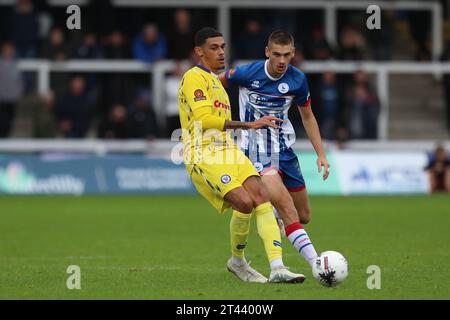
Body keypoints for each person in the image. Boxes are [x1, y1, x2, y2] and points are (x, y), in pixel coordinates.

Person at [178, 27, 305, 283]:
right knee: (244, 202)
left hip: (227, 150)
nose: (221, 52)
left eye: (223, 46)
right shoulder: (194, 78)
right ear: (199, 51)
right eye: (214, 47)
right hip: (203, 153)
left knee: (260, 196)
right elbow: (204, 119)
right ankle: (238, 262)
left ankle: (278, 268)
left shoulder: (217, 84)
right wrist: (248, 125)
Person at [219, 30, 330, 270]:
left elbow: (308, 118)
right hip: (256, 151)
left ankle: (273, 216)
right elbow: (216, 84)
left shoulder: (297, 79)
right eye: (277, 54)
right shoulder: (247, 73)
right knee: (287, 207)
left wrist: (321, 154)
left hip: (284, 150)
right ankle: (317, 264)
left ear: (293, 54)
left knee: (304, 216)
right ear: (267, 52)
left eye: (286, 55)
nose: (281, 61)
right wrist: (218, 118)